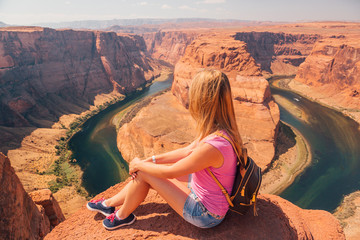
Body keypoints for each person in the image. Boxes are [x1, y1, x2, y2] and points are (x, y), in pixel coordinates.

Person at [87, 69, 245, 230]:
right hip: (202, 192)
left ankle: (121, 217)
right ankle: (109, 204)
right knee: (147, 170)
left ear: (202, 100)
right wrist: (150, 160)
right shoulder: (220, 131)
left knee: (144, 173)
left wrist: (139, 165)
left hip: (205, 214)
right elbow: (187, 151)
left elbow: (172, 172)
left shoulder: (214, 146)